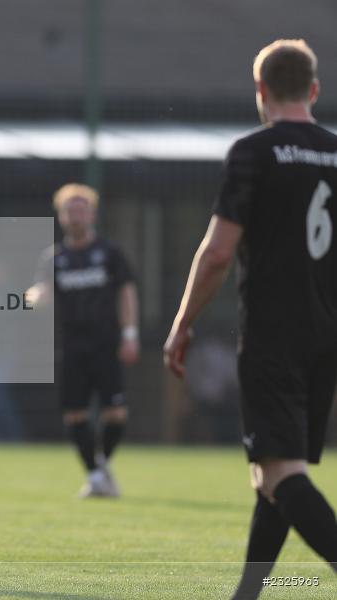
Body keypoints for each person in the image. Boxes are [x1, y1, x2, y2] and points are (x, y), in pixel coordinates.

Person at [164, 39, 337, 600]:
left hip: (273, 333)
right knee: (272, 475)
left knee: (281, 474)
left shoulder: (254, 151)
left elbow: (217, 253)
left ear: (261, 91)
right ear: (313, 90)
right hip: (325, 334)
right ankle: (246, 594)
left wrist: (184, 321)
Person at [26, 184, 139, 498]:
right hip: (72, 347)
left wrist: (130, 333)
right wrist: (32, 298)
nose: (76, 216)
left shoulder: (110, 253)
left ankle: (98, 467)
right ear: (61, 216)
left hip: (106, 344)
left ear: (91, 213)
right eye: (69, 210)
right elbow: (41, 291)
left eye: (81, 209)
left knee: (116, 414)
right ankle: (96, 474)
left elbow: (126, 293)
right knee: (75, 414)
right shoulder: (54, 258)